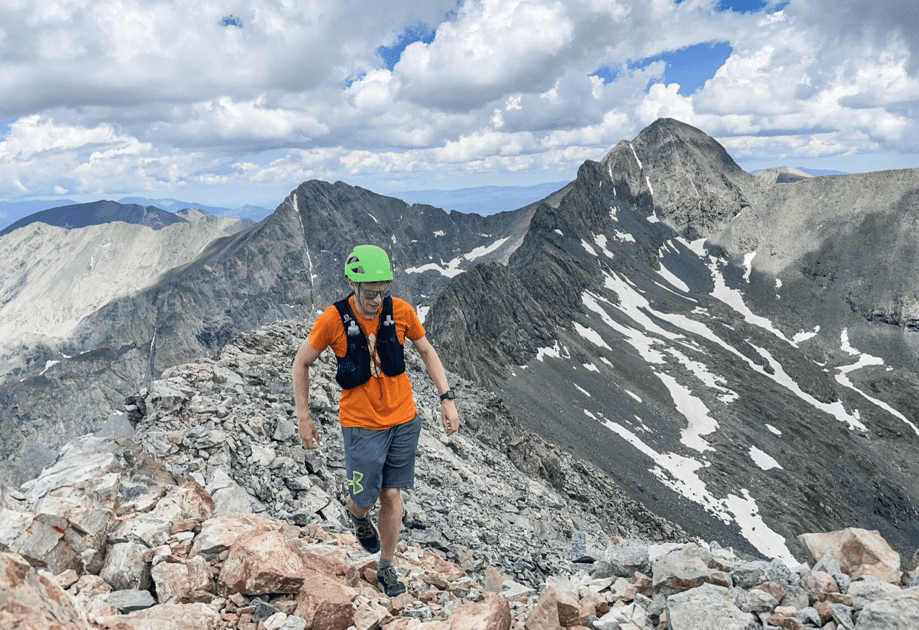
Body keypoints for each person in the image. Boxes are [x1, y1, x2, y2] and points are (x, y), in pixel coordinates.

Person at [292, 244, 460, 597]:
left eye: (383, 291)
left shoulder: (401, 311)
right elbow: (301, 362)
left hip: (403, 420)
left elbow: (426, 350)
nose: (377, 300)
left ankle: (386, 565)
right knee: (364, 499)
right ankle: (356, 514)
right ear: (352, 284)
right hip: (361, 425)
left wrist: (447, 398)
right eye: (370, 293)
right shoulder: (332, 320)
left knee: (392, 493)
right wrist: (304, 417)